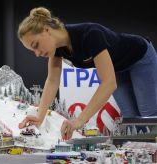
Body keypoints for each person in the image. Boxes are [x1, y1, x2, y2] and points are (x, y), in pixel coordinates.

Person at [17, 7, 157, 140]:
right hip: (118, 67)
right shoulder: (57, 50)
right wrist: (39, 116)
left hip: (140, 57)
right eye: (32, 50)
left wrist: (79, 121)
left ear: (46, 30)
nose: (37, 54)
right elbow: (53, 81)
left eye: (36, 45)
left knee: (148, 115)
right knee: (130, 118)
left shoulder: (90, 34)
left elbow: (108, 83)